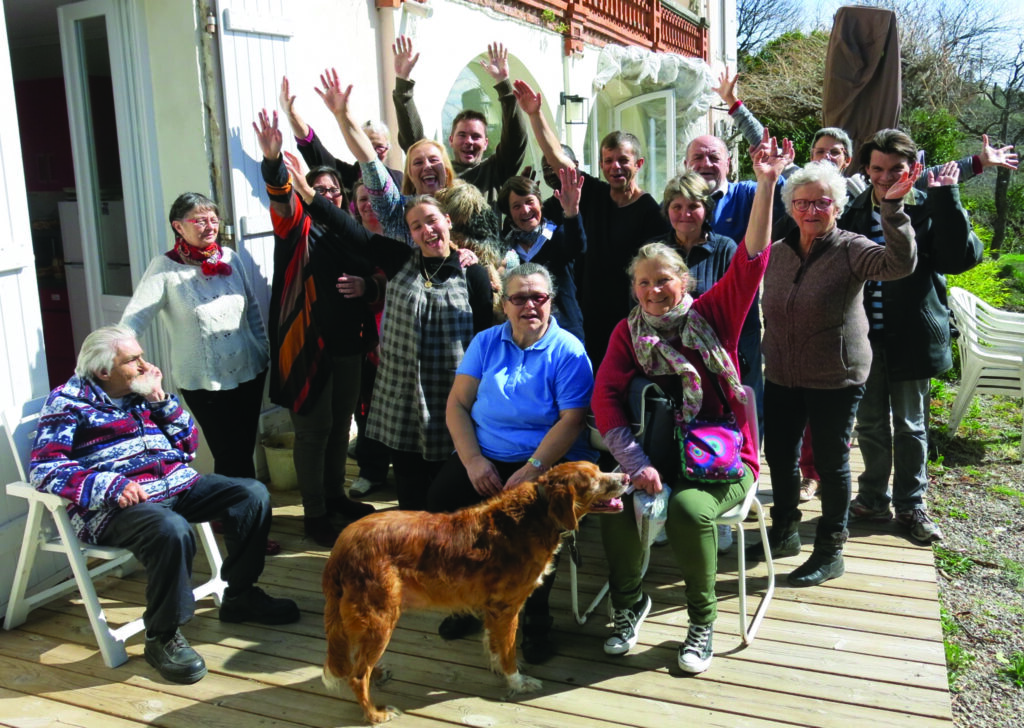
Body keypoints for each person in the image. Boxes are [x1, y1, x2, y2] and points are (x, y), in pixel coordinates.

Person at [590, 137, 790, 674]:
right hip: (654, 455)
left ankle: (702, 623)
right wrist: (634, 463)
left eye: (664, 281)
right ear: (634, 288)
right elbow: (605, 398)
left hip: (720, 455)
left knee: (687, 510)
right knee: (614, 504)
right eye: (644, 283)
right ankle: (629, 607)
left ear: (685, 282)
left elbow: (751, 261)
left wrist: (767, 182)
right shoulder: (628, 332)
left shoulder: (713, 314)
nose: (654, 291)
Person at [29, 325, 299, 685]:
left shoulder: (143, 393)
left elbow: (188, 447)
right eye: (134, 360)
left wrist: (160, 400)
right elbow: (45, 467)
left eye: (142, 356)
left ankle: (240, 594)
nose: (146, 365)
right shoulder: (68, 403)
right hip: (116, 507)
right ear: (104, 371)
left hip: (174, 487)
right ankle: (162, 635)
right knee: (172, 529)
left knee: (252, 494)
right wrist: (107, 484)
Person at [267, 119, 493, 509]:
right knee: (409, 496)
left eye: (433, 221)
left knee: (449, 498)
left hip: (454, 398)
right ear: (409, 233)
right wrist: (307, 194)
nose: (427, 230)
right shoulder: (398, 258)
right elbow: (346, 227)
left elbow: (488, 340)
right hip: (404, 397)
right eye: (416, 226)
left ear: (449, 222)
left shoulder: (472, 272)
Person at [752, 158, 918, 587]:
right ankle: (785, 530)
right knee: (781, 456)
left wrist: (894, 212)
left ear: (837, 206)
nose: (811, 211)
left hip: (836, 376)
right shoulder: (781, 251)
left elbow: (899, 264)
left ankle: (831, 550)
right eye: (803, 203)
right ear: (791, 207)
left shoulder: (852, 248)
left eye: (821, 202)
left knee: (830, 463)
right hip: (784, 372)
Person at [428, 263, 596, 662]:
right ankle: (469, 604)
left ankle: (536, 622)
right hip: (484, 455)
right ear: (503, 304)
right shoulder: (486, 342)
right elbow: (456, 404)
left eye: (538, 297)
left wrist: (533, 469)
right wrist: (472, 461)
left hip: (544, 460)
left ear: (551, 302)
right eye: (518, 298)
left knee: (533, 531)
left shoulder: (568, 350)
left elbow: (571, 420)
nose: (529, 305)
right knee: (440, 510)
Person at [841, 129, 984, 544]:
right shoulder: (853, 210)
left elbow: (959, 258)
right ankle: (871, 498)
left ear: (913, 169)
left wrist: (948, 197)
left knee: (911, 424)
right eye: (878, 169)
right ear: (866, 170)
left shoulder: (927, 205)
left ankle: (911, 505)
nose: (886, 177)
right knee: (868, 423)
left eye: (896, 169)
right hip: (863, 337)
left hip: (912, 335)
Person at [254, 110, 377, 548]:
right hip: (304, 347)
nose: (326, 194)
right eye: (317, 189)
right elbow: (281, 197)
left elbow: (377, 270)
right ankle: (315, 514)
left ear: (342, 196)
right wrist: (272, 162)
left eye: (333, 190)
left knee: (341, 422)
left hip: (348, 344)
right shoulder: (295, 227)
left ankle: (335, 496)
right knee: (313, 430)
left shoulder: (350, 231)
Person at [514, 80, 670, 363]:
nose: (615, 167)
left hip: (631, 320)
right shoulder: (594, 194)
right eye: (608, 161)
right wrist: (535, 115)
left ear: (639, 164)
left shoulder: (651, 212)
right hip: (588, 315)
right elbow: (557, 160)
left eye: (623, 160)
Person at [120, 192, 268, 481]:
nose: (209, 226)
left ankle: (246, 513)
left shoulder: (230, 258)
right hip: (204, 380)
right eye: (199, 221)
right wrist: (124, 360)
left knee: (244, 449)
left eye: (213, 219)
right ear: (179, 227)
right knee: (228, 452)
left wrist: (261, 349)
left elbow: (251, 309)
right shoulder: (165, 268)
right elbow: (134, 319)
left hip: (250, 371)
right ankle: (238, 515)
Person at [392, 36, 527, 203]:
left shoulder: (494, 171)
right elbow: (414, 142)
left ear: (486, 143)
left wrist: (503, 84)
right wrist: (403, 83)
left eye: (476, 136)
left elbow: (515, 140)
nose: (468, 141)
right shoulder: (437, 170)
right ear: (451, 140)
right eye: (462, 135)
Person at [497, 169, 586, 341]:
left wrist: (572, 212)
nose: (525, 210)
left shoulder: (558, 236)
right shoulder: (506, 249)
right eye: (516, 206)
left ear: (540, 203)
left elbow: (578, 247)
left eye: (530, 202)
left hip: (564, 332)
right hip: (524, 335)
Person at [279, 75, 403, 188]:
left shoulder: (398, 180)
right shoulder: (342, 175)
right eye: (369, 145)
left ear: (388, 149)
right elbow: (311, 145)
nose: (373, 152)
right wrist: (291, 114)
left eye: (380, 147)